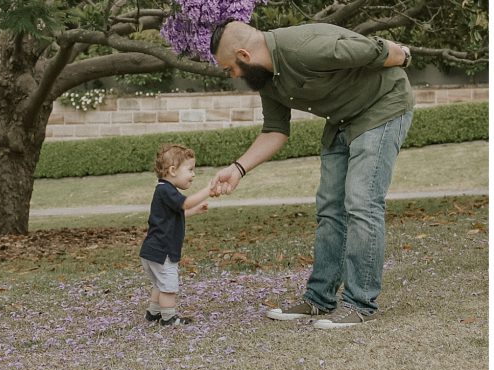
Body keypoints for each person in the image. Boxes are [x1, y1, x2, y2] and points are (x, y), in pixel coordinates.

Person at [209, 21, 414, 328]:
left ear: (243, 55)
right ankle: (319, 300)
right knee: (330, 208)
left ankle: (360, 304)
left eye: (230, 69)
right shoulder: (267, 80)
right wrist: (238, 169)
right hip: (342, 120)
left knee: (361, 203)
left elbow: (373, 48)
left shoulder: (304, 48)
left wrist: (404, 55)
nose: (233, 76)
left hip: (382, 106)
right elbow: (275, 131)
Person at [140, 143, 212, 326]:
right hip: (162, 250)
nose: (193, 174)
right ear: (173, 170)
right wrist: (208, 191)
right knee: (168, 286)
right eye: (190, 169)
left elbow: (175, 216)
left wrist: (194, 211)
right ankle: (169, 318)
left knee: (159, 284)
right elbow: (186, 203)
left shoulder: (164, 190)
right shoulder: (166, 190)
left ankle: (153, 313)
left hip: (153, 250)